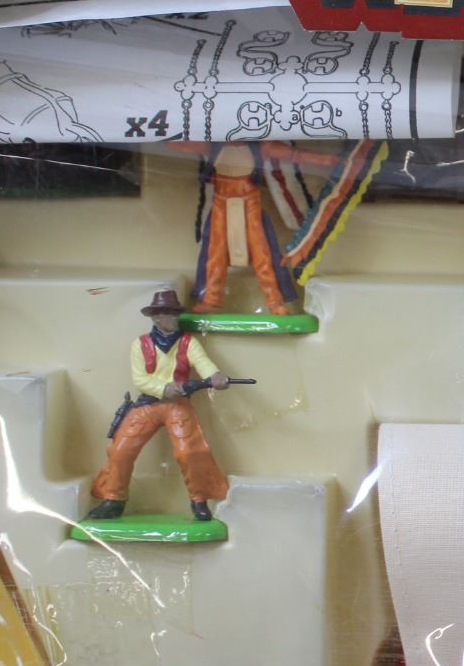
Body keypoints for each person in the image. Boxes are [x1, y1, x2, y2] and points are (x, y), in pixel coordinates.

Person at [88, 290, 231, 523]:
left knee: (190, 451)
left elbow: (203, 363)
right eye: (168, 314)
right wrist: (164, 388)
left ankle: (199, 499)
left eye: (174, 314)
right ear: (156, 317)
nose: (173, 318)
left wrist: (215, 376)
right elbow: (140, 379)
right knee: (121, 449)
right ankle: (113, 499)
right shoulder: (140, 344)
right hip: (148, 403)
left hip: (178, 405)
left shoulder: (188, 342)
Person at [167, 138, 347, 315]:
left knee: (263, 256)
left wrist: (330, 160)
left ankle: (275, 300)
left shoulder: (262, 147)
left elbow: (295, 155)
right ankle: (211, 299)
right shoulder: (213, 145)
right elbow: (181, 144)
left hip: (251, 207)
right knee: (214, 255)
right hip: (221, 206)